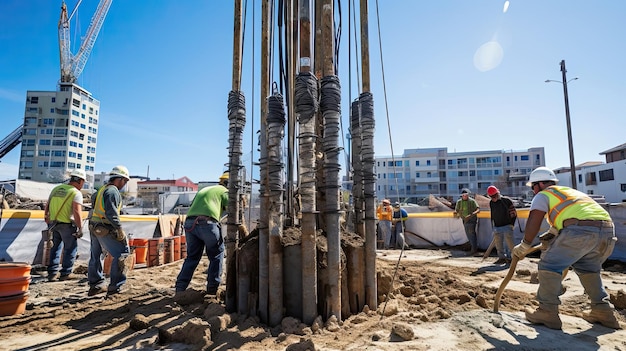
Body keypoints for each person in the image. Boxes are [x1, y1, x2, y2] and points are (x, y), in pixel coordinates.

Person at [512, 167, 620, 330]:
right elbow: (573, 215)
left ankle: (547, 311)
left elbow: (534, 219)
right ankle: (603, 311)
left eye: (533, 187)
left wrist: (525, 244)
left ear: (540, 184)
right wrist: (554, 231)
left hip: (581, 230)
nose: (533, 191)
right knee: (588, 269)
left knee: (549, 265)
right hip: (606, 231)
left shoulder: (544, 194)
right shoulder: (569, 192)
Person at [175, 172, 229, 295]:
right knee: (216, 255)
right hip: (207, 223)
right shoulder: (224, 191)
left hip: (190, 223)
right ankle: (212, 289)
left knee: (192, 257)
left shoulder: (206, 189)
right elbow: (233, 208)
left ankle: (180, 288)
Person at [87, 165, 133, 296]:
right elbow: (111, 213)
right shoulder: (112, 191)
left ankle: (95, 285)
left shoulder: (102, 190)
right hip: (106, 227)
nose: (124, 184)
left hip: (94, 225)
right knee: (122, 254)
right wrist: (119, 229)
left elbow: (94, 203)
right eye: (125, 181)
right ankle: (115, 287)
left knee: (95, 255)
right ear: (119, 179)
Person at [44, 169, 86, 282]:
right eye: (83, 182)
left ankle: (52, 273)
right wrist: (81, 228)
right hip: (67, 225)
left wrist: (46, 218)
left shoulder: (56, 189)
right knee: (70, 248)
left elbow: (47, 205)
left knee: (54, 248)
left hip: (53, 224)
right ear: (80, 180)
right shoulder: (75, 193)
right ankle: (66, 273)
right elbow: (77, 212)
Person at [487, 185, 516, 265]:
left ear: (497, 193)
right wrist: (493, 225)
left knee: (510, 243)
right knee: (498, 243)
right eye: (491, 197)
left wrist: (512, 224)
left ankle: (511, 258)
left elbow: (513, 213)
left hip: (507, 225)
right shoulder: (491, 203)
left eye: (494, 196)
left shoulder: (506, 201)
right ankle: (501, 258)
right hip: (497, 226)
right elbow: (492, 214)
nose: (493, 198)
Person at [455, 188, 480, 255]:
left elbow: (478, 209)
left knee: (471, 233)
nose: (465, 196)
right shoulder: (459, 202)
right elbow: (456, 210)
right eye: (463, 195)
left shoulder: (472, 201)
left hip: (472, 219)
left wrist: (471, 215)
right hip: (464, 219)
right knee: (469, 234)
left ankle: (474, 249)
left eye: (466, 195)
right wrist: (456, 214)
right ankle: (473, 247)